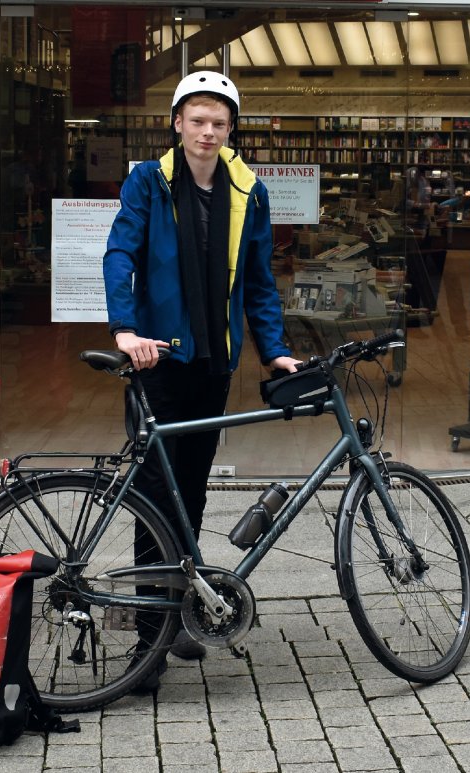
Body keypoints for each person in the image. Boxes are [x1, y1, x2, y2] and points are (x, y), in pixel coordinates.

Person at [102, 71, 298, 689]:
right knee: (153, 496)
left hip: (214, 361)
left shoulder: (249, 191)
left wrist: (275, 353)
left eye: (219, 122)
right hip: (157, 360)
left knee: (191, 489)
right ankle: (147, 641)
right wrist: (125, 330)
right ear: (178, 124)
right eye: (197, 120)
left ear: (230, 128)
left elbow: (260, 282)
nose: (207, 132)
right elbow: (119, 253)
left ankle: (180, 616)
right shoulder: (149, 182)